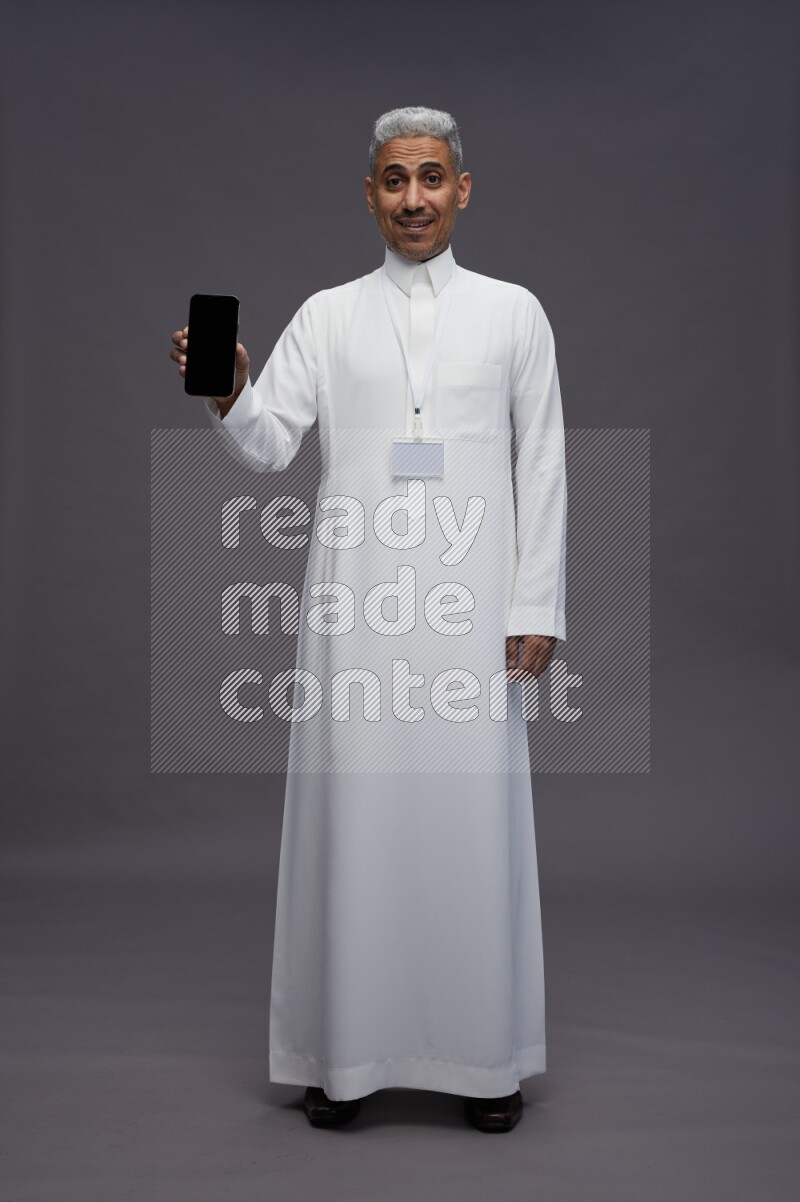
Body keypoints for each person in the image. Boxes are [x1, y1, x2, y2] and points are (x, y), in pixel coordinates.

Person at [169, 105, 567, 1133]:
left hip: (472, 604)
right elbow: (267, 446)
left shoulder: (514, 312)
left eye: (430, 178)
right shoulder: (330, 315)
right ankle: (336, 1056)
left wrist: (535, 602)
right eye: (394, 181)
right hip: (356, 609)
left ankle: (483, 1062)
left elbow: (544, 463)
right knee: (353, 818)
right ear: (368, 194)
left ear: (462, 189)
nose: (413, 199)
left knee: (470, 821)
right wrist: (227, 391)